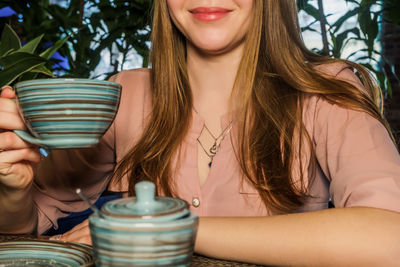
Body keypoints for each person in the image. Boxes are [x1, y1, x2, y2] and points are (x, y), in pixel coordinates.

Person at [1, 0, 400, 265]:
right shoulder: (124, 94)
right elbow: (29, 225)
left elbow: (389, 237)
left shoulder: (328, 91)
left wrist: (175, 229)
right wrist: (14, 188)